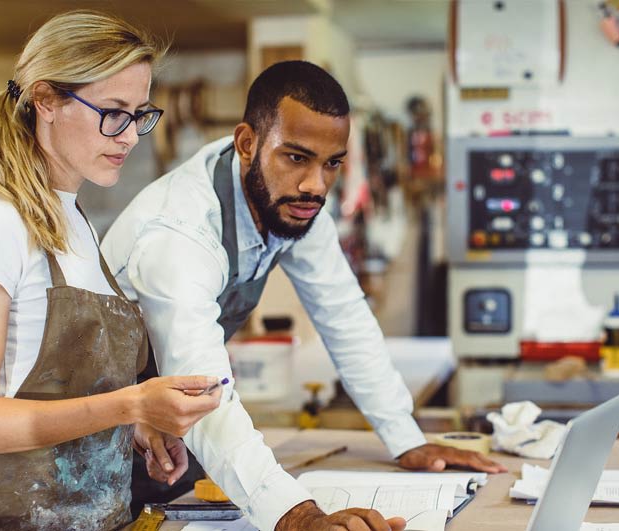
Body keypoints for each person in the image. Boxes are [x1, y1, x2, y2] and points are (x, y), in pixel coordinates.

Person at [102, 60, 507, 531]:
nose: (316, 185)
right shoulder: (180, 233)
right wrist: (296, 516)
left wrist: (406, 439)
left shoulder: (293, 204)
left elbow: (345, 316)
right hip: (93, 441)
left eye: (332, 162)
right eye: (296, 157)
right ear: (247, 144)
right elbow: (200, 391)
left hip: (173, 434)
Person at [0, 11, 221, 530]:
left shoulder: (76, 221)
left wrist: (136, 426)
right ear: (46, 100)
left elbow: (67, 395)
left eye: (139, 114)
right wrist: (130, 403)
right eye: (113, 112)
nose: (131, 135)